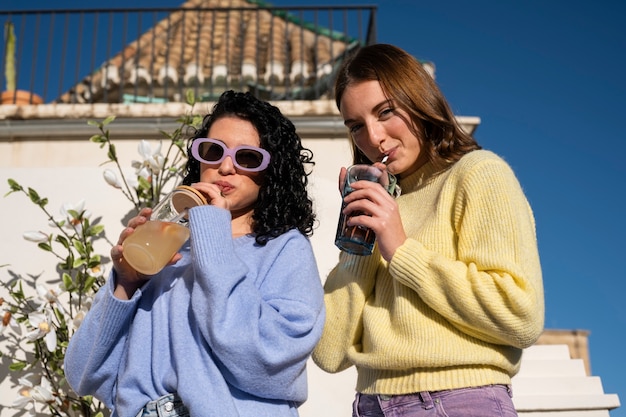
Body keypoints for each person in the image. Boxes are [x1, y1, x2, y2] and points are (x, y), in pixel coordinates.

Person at [312, 43, 544, 417]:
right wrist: (360, 245)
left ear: (419, 100)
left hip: (455, 400)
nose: (373, 137)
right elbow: (328, 351)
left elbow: (520, 315)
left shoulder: (478, 173)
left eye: (385, 112)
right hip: (369, 405)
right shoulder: (383, 204)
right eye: (356, 126)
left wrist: (401, 250)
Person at [64, 90, 325, 417]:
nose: (226, 167)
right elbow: (83, 374)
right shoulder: (169, 245)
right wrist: (126, 285)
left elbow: (271, 361)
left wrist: (213, 236)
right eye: (213, 151)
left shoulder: (285, 248)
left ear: (271, 170)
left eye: (247, 158)